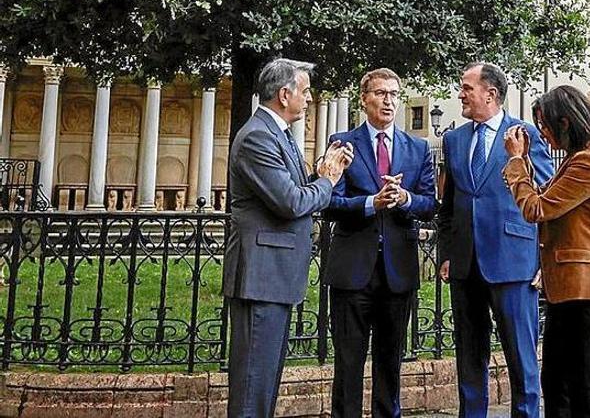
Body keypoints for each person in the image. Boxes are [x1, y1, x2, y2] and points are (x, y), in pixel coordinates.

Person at [223, 58, 353, 418]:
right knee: (253, 387)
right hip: (261, 278)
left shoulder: (276, 133)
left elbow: (294, 188)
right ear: (285, 94)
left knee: (263, 384)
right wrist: (327, 181)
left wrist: (324, 170)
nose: (310, 99)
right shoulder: (258, 137)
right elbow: (291, 202)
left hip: (273, 277)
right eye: (306, 91)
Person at [436, 62, 553, 418]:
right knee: (469, 355)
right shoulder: (454, 139)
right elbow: (449, 204)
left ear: (491, 93)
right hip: (465, 264)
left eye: (466, 88)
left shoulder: (525, 135)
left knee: (521, 359)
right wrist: (446, 253)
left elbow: (548, 201)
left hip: (514, 263)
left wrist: (544, 259)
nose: (460, 95)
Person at [323, 68, 437, 417]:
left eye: (393, 94)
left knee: (390, 364)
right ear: (364, 98)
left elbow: (430, 204)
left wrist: (404, 199)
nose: (388, 100)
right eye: (380, 93)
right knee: (348, 365)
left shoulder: (417, 148)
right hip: (352, 271)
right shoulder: (342, 144)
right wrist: (372, 203)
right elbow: (329, 203)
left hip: (397, 273)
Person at [502, 85, 590, 418]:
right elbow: (546, 197)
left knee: (585, 389)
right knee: (556, 382)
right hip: (568, 287)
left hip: (587, 288)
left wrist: (514, 163)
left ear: (566, 122)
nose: (542, 133)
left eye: (545, 124)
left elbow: (537, 209)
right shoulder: (576, 159)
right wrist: (523, 164)